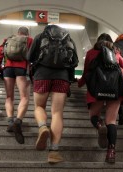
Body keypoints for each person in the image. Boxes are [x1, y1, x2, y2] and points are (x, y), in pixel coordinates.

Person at [78, 33, 123, 163]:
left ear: (98, 41)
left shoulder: (91, 52)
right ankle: (111, 152)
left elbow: (86, 71)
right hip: (115, 89)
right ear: (111, 42)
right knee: (112, 120)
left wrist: (80, 83)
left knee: (93, 115)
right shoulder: (115, 52)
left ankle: (99, 125)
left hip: (96, 88)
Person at [27, 24, 78, 164]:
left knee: (39, 107)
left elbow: (30, 57)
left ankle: (43, 127)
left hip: (42, 75)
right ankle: (54, 151)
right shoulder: (69, 39)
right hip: (62, 77)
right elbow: (75, 61)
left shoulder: (40, 37)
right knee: (57, 113)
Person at [0, 26, 33, 144]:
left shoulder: (8, 39)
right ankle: (18, 121)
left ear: (18, 33)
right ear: (27, 33)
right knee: (24, 97)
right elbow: (34, 57)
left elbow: (0, 53)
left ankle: (10, 121)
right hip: (22, 69)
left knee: (9, 97)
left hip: (8, 69)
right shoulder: (30, 40)